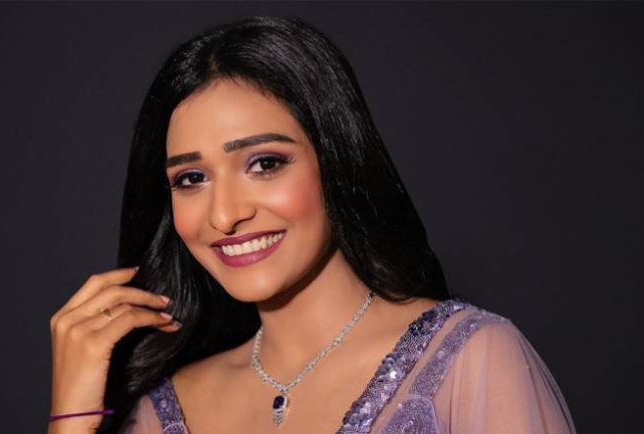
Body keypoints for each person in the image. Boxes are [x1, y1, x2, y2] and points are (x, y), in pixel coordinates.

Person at [48, 16, 576, 434]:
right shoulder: (162, 411)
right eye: (191, 178)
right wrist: (70, 418)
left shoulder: (469, 360)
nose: (225, 215)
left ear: (336, 159)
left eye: (265, 163)